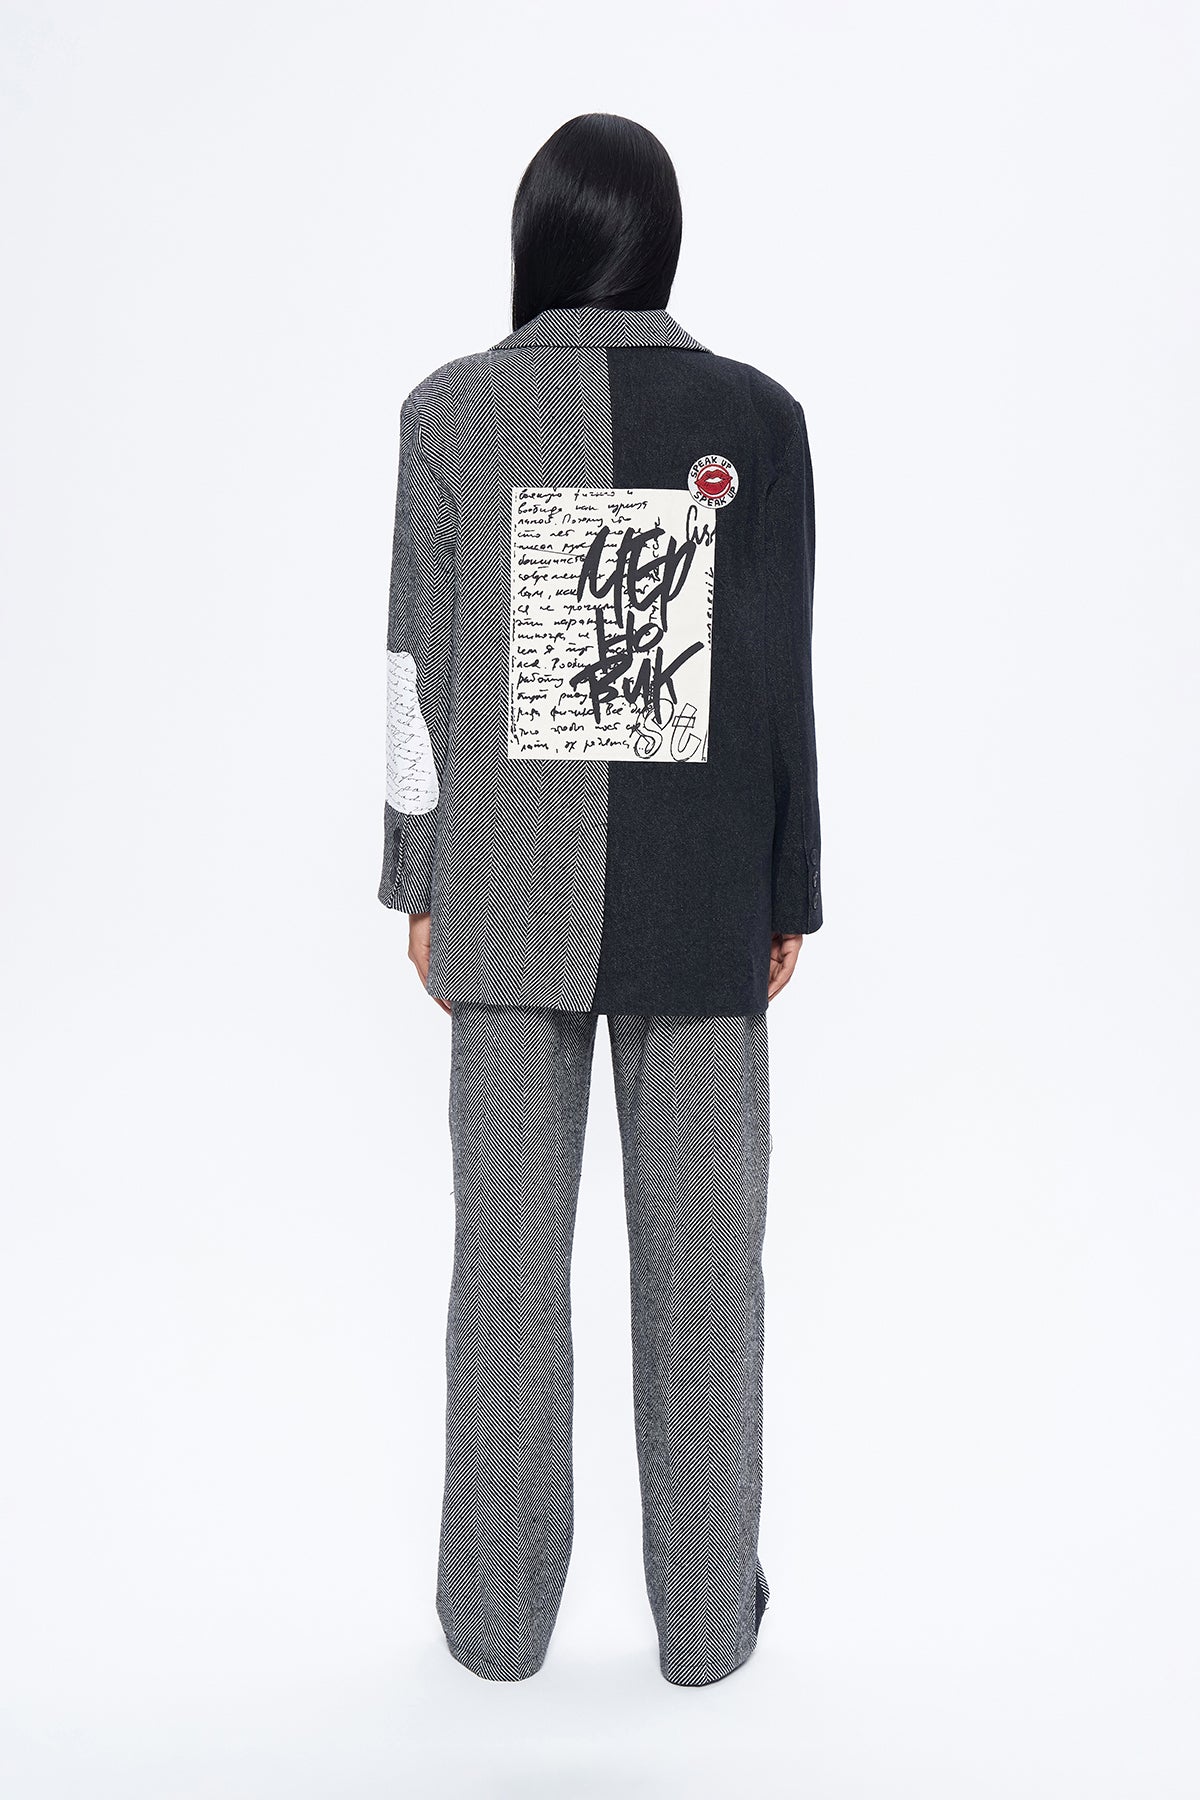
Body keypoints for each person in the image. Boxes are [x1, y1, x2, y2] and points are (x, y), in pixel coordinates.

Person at [377, 113, 822, 1687]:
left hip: (502, 898)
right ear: (663, 243)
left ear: (540, 240)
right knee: (707, 1272)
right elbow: (775, 676)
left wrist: (417, 877)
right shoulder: (759, 420)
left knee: (503, 1274)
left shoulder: (451, 412)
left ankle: (492, 1629)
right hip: (703, 901)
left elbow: (417, 669)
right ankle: (705, 1630)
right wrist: (786, 888)